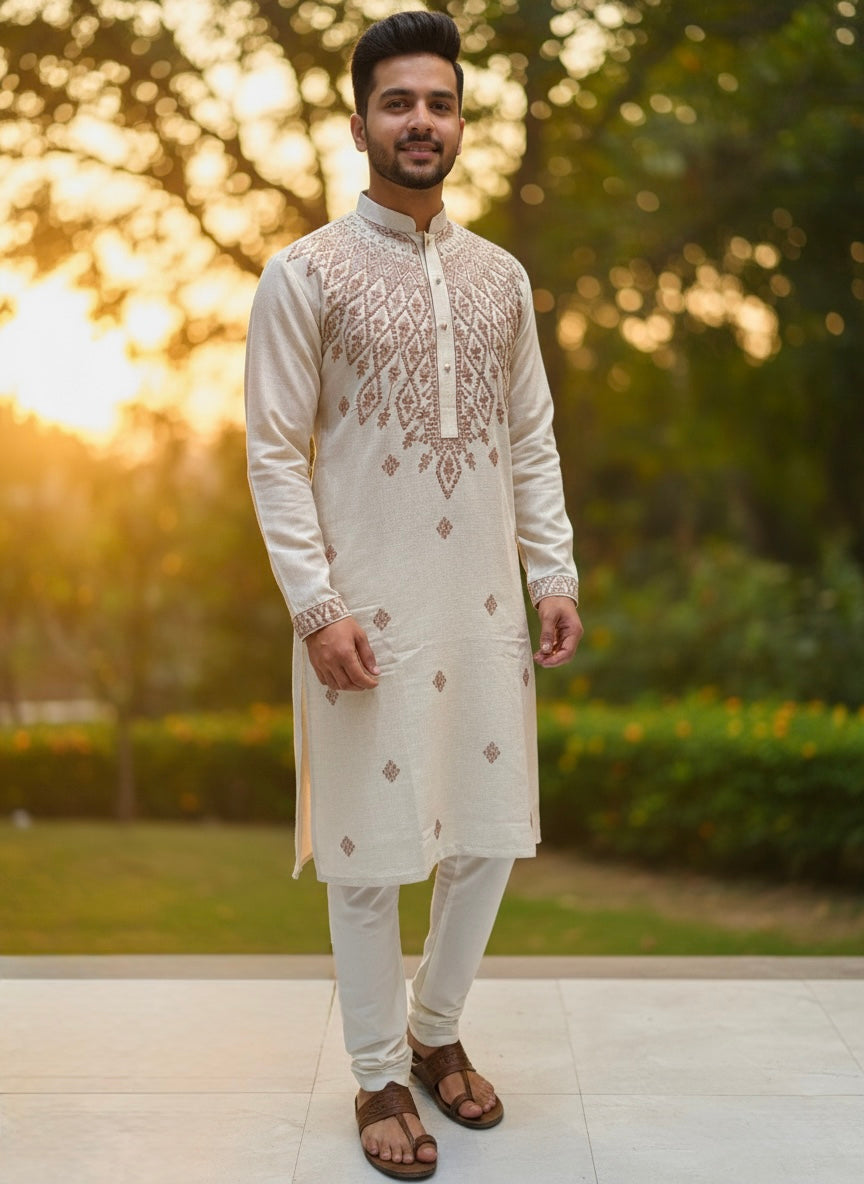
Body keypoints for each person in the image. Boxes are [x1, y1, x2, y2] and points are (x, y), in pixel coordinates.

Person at [244, 9, 583, 1179]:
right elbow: (274, 452)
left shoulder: (502, 279)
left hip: (483, 600)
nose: (421, 120)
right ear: (360, 125)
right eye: (398, 103)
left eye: (439, 102)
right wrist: (315, 603)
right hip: (364, 610)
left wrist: (553, 570)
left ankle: (437, 1030)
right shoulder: (304, 274)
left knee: (488, 833)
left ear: (460, 122)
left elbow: (530, 438)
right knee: (366, 850)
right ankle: (379, 1070)